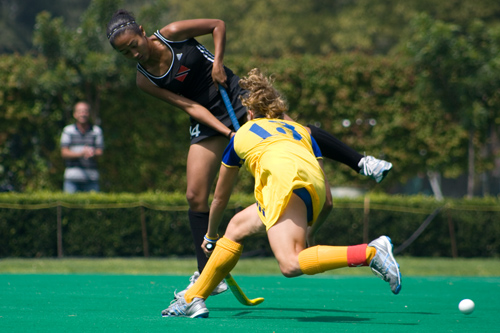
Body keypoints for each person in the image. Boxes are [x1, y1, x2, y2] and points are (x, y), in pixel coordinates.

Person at [106, 10, 392, 297]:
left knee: (294, 129)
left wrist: (217, 63)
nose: (133, 54)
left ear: (142, 32)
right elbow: (190, 107)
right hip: (206, 117)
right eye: (125, 53)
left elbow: (218, 25)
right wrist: (229, 133)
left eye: (134, 45)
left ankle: (362, 163)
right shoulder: (144, 80)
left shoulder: (171, 33)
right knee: (194, 195)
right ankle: (207, 271)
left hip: (234, 94)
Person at [162, 69, 401, 318]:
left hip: (282, 185)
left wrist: (210, 236)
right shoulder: (300, 131)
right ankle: (194, 298)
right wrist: (311, 232)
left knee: (290, 263)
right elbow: (328, 201)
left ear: (250, 113)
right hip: (311, 190)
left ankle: (370, 253)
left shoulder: (240, 136)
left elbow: (220, 198)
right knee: (236, 227)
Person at [60, 101, 104, 193]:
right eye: (80, 111)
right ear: (75, 114)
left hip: (91, 178)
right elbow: (64, 152)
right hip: (72, 178)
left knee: (92, 207)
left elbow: (100, 151)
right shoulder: (68, 130)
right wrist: (81, 154)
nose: (83, 114)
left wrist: (92, 153)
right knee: (70, 206)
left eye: (85, 111)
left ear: (89, 114)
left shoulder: (96, 131)